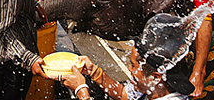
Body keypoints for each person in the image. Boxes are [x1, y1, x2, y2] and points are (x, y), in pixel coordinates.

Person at [52, 14, 195, 100]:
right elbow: (122, 95)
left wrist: (82, 91)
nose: (129, 69)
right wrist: (94, 71)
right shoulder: (151, 89)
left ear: (156, 77)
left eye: (133, 66)